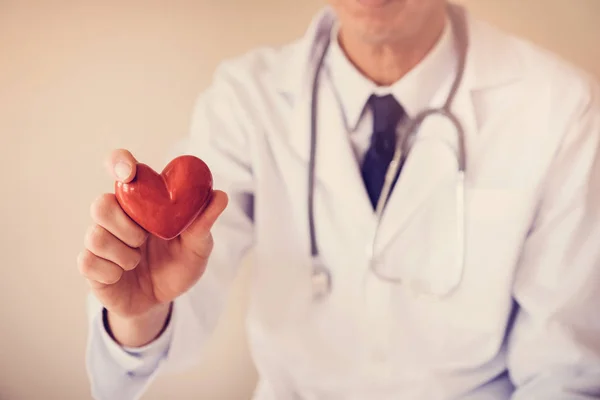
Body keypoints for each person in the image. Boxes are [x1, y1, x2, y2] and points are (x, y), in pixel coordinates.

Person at [79, 0, 600, 399]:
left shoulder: (559, 108)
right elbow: (170, 311)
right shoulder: (246, 99)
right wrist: (140, 313)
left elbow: (563, 371)